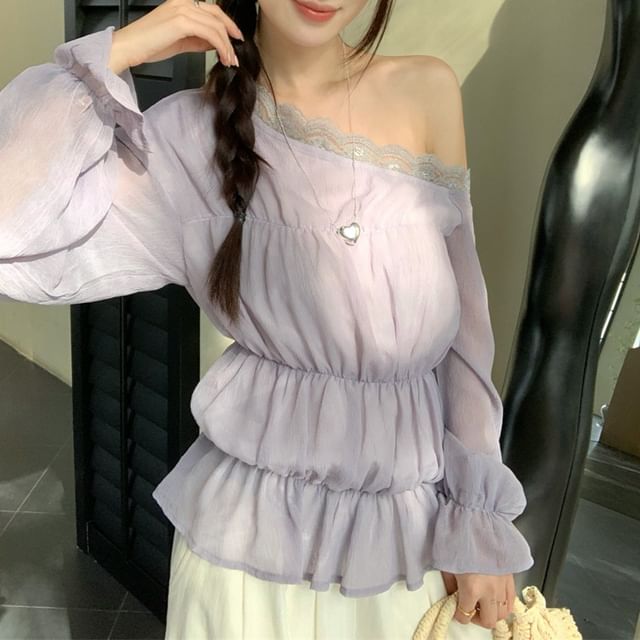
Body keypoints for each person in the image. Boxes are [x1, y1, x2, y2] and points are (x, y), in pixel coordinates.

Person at [0, 0, 535, 637]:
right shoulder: (189, 134)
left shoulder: (428, 90)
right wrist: (113, 55)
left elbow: (467, 333)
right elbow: (12, 227)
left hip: (406, 538)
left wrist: (478, 522)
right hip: (246, 555)